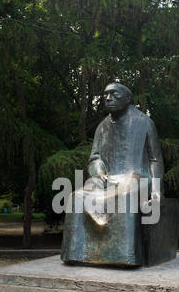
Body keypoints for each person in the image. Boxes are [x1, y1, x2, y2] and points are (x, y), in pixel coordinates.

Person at [61, 83, 173, 266]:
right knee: (77, 197)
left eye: (114, 94)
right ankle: (76, 253)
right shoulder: (102, 127)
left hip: (137, 178)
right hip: (106, 179)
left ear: (128, 99)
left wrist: (157, 191)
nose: (108, 98)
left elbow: (155, 160)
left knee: (125, 194)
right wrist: (98, 172)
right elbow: (95, 158)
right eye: (105, 94)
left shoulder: (145, 123)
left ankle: (123, 256)